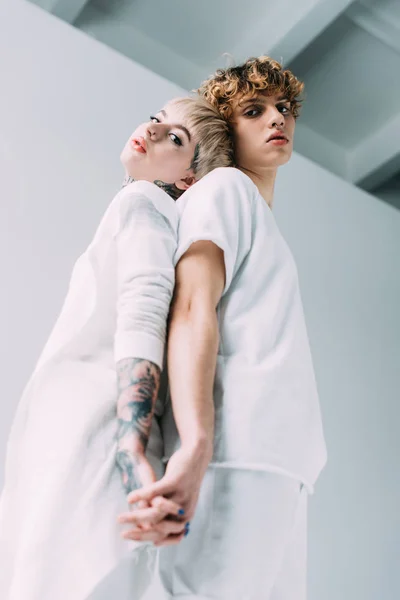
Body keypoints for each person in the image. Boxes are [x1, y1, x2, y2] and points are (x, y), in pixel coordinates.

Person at [0, 96, 233, 600]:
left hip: (95, 439)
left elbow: (143, 306)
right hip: (71, 439)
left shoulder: (144, 201)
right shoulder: (140, 209)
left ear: (189, 179)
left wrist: (129, 445)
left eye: (176, 138)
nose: (151, 132)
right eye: (156, 120)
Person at [121, 56, 328, 600]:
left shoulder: (256, 218)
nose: (276, 120)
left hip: (281, 460)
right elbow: (192, 309)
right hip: (238, 449)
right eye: (254, 111)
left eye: (283, 109)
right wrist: (196, 443)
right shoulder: (225, 189)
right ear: (224, 130)